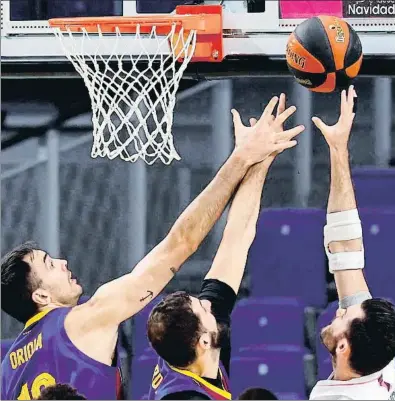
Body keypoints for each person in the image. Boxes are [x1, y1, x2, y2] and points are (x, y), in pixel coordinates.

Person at [1, 96, 304, 400]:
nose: (62, 261)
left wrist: (257, 162)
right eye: (49, 264)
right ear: (41, 295)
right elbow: (180, 244)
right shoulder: (85, 319)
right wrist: (241, 159)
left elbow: (234, 245)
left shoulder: (7, 371)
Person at [146, 94, 298, 400]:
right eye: (203, 308)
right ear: (203, 341)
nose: (208, 302)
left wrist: (260, 159)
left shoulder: (191, 353)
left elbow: (236, 239)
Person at [309, 86, 395, 400]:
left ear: (344, 347)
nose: (338, 310)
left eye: (343, 316)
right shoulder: (376, 363)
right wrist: (338, 150)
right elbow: (346, 249)